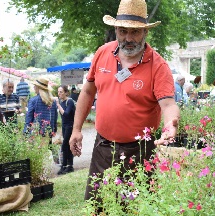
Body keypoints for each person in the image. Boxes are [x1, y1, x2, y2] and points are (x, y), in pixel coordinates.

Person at [69, 0, 180, 204]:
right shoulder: (103, 53)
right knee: (98, 205)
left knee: (134, 207)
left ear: (145, 32)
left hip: (139, 151)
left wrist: (169, 125)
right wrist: (76, 129)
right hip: (103, 147)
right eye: (122, 31)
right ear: (116, 30)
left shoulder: (158, 65)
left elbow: (168, 104)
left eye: (135, 32)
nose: (128, 38)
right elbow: (87, 91)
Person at [23, 76, 58, 145]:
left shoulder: (33, 101)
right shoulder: (53, 102)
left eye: (35, 86)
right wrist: (53, 131)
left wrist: (26, 133)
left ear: (38, 88)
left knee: (37, 154)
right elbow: (54, 119)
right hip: (48, 133)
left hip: (35, 134)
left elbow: (29, 119)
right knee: (48, 153)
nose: (34, 87)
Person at [55, 85, 76, 175]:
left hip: (70, 125)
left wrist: (58, 105)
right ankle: (69, 166)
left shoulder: (69, 101)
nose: (59, 94)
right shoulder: (62, 102)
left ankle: (64, 165)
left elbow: (66, 114)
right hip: (64, 126)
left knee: (64, 145)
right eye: (58, 92)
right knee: (67, 145)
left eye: (61, 92)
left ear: (66, 92)